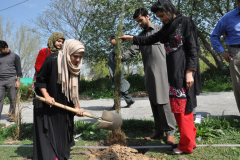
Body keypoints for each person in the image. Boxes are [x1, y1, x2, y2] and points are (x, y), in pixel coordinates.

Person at [120, 0, 201, 155]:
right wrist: (131, 38)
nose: (162, 19)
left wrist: (190, 71)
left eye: (163, 15)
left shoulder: (185, 22)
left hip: (183, 72)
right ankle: (189, 140)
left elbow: (192, 48)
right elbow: (150, 39)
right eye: (159, 17)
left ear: (170, 9)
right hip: (173, 73)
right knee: (179, 108)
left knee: (183, 109)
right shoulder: (168, 27)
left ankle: (186, 146)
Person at [121, 8, 175, 144]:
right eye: (137, 22)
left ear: (147, 16)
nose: (139, 23)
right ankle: (158, 129)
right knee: (153, 100)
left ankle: (170, 131)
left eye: (140, 20)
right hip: (149, 73)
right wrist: (121, 57)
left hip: (163, 71)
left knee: (163, 101)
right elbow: (132, 50)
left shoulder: (160, 29)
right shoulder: (140, 36)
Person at [33, 39, 85, 160]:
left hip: (64, 103)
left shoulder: (76, 67)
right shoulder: (52, 60)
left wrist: (76, 107)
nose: (77, 60)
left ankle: (61, 154)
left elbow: (74, 89)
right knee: (48, 132)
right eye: (75, 56)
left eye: (80, 57)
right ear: (68, 52)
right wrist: (47, 96)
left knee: (63, 131)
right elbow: (40, 80)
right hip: (46, 102)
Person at [210, 0, 240, 112]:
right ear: (237, 2)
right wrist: (222, 52)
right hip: (236, 54)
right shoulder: (228, 18)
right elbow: (214, 36)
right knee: (239, 86)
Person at [108, 34, 135, 110]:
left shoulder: (117, 48)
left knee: (116, 88)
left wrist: (117, 71)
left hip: (117, 71)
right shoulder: (115, 48)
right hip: (115, 71)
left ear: (115, 40)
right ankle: (129, 100)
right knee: (121, 87)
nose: (109, 41)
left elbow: (118, 61)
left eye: (110, 40)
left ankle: (117, 105)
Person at [0, 40, 22, 121]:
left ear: (6, 47)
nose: (0, 51)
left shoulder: (15, 56)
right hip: (0, 80)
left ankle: (11, 116)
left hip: (11, 79)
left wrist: (18, 81)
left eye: (1, 49)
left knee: (13, 98)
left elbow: (19, 70)